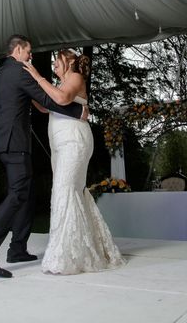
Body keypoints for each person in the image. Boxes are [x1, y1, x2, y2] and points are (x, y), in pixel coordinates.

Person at [0, 35, 87, 278]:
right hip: (15, 141)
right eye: (29, 51)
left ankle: (17, 248)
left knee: (27, 191)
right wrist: (79, 110)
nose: (31, 56)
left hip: (3, 140)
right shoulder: (21, 72)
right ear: (18, 49)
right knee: (18, 193)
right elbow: (47, 99)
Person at [23, 48, 125, 274]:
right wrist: (27, 88)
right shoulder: (60, 84)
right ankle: (79, 249)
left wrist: (38, 78)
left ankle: (66, 255)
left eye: (56, 61)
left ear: (68, 62)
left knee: (64, 189)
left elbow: (61, 99)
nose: (54, 65)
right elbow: (45, 105)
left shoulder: (75, 78)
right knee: (66, 192)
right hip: (59, 143)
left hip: (74, 141)